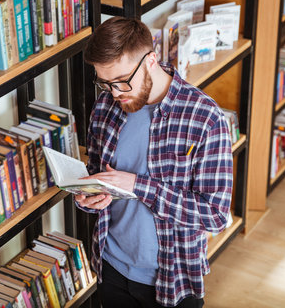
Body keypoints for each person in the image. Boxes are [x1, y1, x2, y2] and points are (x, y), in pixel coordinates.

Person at [75, 16, 233, 308]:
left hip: (173, 279)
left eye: (123, 82)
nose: (116, 93)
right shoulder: (105, 107)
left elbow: (215, 215)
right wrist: (88, 196)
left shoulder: (205, 118)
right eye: (106, 83)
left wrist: (137, 185)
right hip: (111, 266)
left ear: (151, 59)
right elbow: (96, 174)